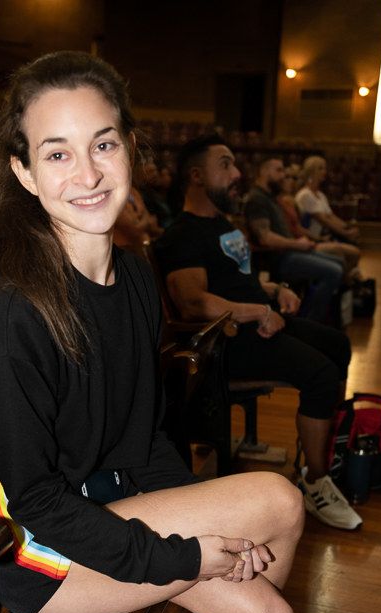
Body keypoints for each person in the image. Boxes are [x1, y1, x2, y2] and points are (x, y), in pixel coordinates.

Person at [0, 51, 313, 613]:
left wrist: (202, 524)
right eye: (58, 153)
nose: (87, 173)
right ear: (24, 172)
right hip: (36, 552)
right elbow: (34, 502)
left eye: (103, 143)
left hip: (110, 505)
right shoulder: (9, 317)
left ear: (129, 150)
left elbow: (144, 438)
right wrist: (182, 557)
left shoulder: (135, 279)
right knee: (278, 518)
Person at [154, 134, 362, 533]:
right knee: (320, 374)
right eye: (225, 165)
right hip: (226, 343)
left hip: (255, 322)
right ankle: (316, 482)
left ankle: (318, 452)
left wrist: (274, 290)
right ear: (196, 176)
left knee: (338, 345)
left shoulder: (219, 224)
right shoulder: (182, 235)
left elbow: (236, 281)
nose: (237, 173)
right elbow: (194, 303)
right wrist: (258, 311)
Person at [244, 156, 345, 324]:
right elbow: (265, 238)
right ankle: (309, 322)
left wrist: (300, 243)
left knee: (340, 262)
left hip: (289, 252)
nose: (283, 175)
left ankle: (324, 318)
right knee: (334, 271)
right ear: (264, 171)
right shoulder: (257, 199)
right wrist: (297, 244)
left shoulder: (270, 197)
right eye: (279, 170)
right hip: (276, 259)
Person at [295, 156, 361, 254]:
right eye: (320, 168)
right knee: (350, 251)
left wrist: (348, 227)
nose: (324, 171)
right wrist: (345, 233)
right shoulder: (305, 194)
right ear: (311, 171)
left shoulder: (321, 195)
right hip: (312, 239)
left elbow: (330, 216)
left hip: (324, 236)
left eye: (325, 168)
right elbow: (324, 220)